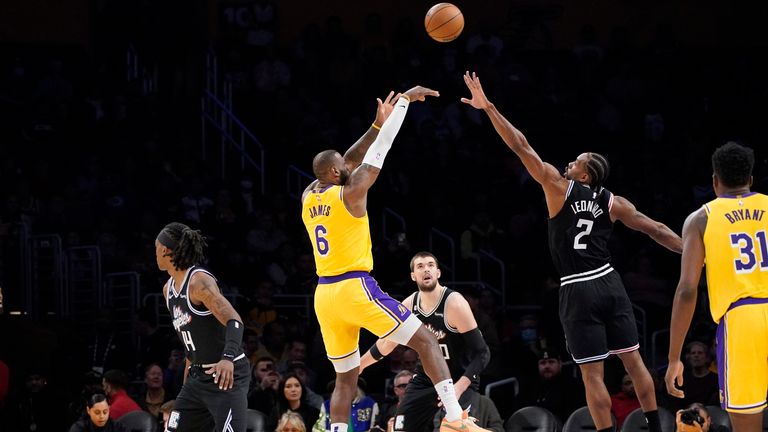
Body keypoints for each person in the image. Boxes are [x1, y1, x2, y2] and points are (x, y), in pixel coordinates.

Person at [461, 71, 683, 432]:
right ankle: (654, 426)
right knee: (634, 360)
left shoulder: (558, 187)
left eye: (576, 161)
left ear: (584, 175)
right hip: (609, 281)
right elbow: (657, 230)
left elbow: (521, 146)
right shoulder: (615, 203)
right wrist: (692, 252)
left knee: (592, 373)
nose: (569, 163)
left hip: (578, 287)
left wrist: (489, 108)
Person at [301, 87, 489, 432]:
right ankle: (454, 416)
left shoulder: (309, 195)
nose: (347, 166)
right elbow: (378, 152)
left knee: (347, 376)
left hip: (324, 296)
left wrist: (374, 124)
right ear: (335, 173)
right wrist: (403, 103)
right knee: (427, 342)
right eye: (342, 167)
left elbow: (346, 159)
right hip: (354, 287)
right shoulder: (352, 193)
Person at [666, 142, 768, 432]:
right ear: (750, 179)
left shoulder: (701, 219)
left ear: (714, 180)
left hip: (742, 322)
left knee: (748, 424)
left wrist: (674, 358)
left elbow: (687, 290)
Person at [359, 251, 491, 432]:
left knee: (452, 429)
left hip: (458, 377)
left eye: (430, 265)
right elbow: (386, 343)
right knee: (400, 427)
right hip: (426, 378)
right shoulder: (408, 306)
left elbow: (482, 353)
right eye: (420, 266)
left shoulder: (455, 303)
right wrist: (359, 366)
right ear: (413, 276)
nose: (426, 269)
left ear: (438, 272)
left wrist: (459, 386)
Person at [155, 222, 250, 431]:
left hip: (225, 376)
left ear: (164, 250)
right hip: (197, 377)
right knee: (172, 428)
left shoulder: (199, 283)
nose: (155, 254)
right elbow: (193, 342)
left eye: (156, 248)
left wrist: (228, 358)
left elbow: (235, 321)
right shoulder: (167, 290)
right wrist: (186, 383)